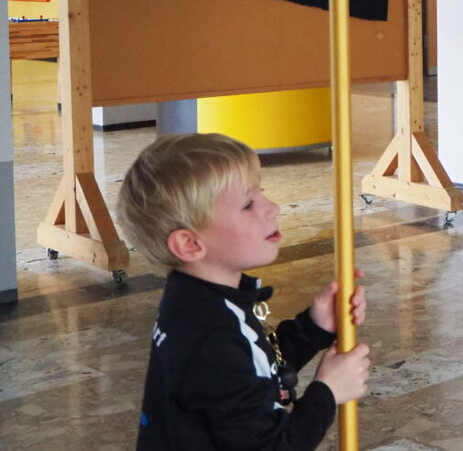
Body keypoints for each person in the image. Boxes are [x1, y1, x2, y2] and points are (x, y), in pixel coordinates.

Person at [116, 133, 373, 451]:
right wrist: (329, 392)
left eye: (261, 193)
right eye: (249, 204)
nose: (273, 207)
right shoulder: (210, 336)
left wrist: (314, 326)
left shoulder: (198, 299)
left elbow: (252, 368)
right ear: (190, 244)